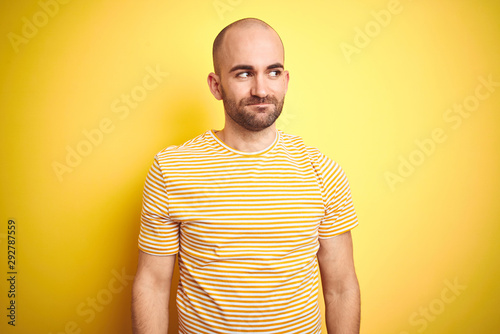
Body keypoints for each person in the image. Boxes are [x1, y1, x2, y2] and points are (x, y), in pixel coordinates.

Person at [132, 18, 360, 334]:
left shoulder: (323, 171)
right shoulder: (171, 170)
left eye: (273, 72)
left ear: (286, 80)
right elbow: (152, 286)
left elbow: (341, 288)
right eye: (244, 73)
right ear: (215, 85)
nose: (261, 89)